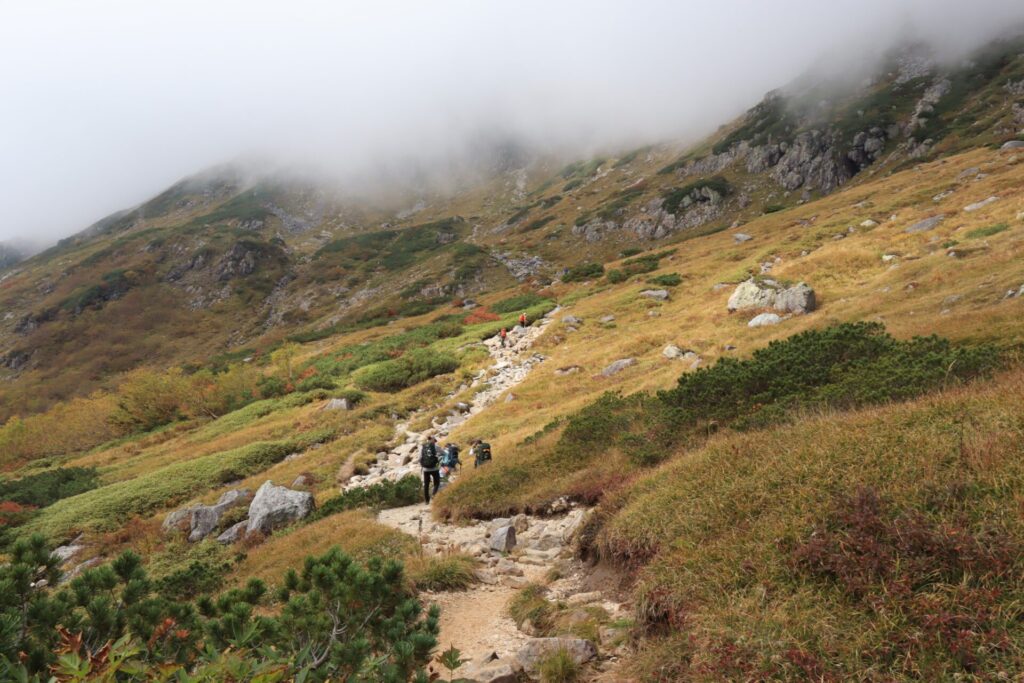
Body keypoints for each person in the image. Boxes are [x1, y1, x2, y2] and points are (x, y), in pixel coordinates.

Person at [419, 436, 441, 504]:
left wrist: (422, 464)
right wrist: (438, 458)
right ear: (433, 440)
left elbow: (419, 458)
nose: (435, 441)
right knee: (437, 482)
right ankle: (434, 494)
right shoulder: (436, 446)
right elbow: (444, 453)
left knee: (426, 484)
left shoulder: (422, 446)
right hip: (434, 468)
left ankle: (426, 500)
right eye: (435, 440)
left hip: (425, 469)